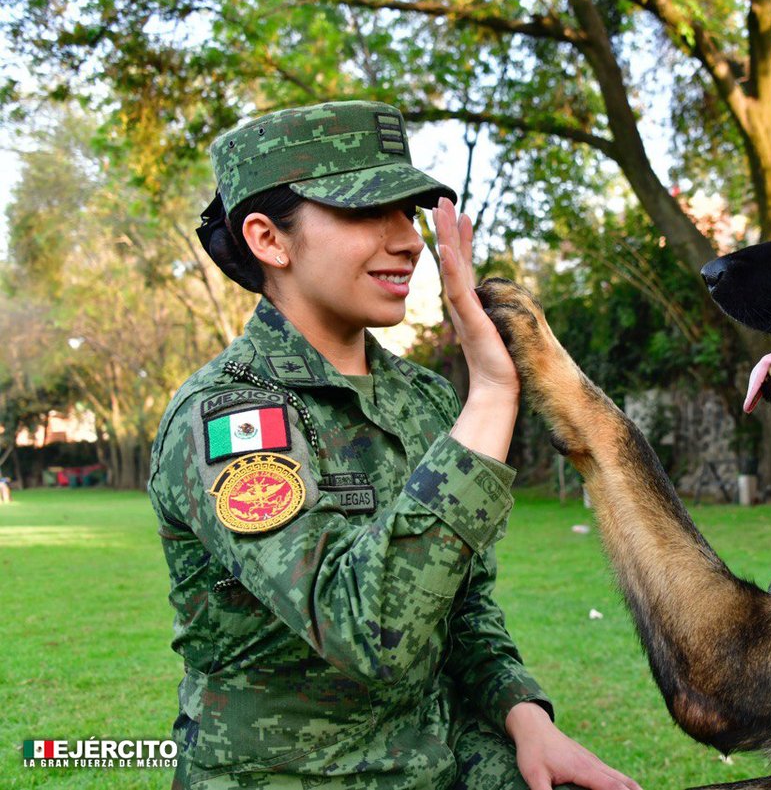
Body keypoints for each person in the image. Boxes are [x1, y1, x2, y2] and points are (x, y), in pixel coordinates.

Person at [147, 100, 640, 790]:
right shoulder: (227, 418)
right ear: (268, 238)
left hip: (440, 762)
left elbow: (462, 609)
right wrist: (494, 395)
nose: (408, 241)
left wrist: (528, 718)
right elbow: (363, 625)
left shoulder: (425, 398)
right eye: (363, 213)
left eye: (408, 213)